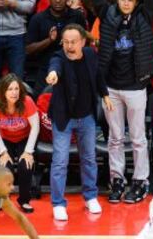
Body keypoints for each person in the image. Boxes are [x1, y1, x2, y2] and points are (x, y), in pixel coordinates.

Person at [89, 0, 153, 204]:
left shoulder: (145, 14)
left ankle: (140, 181)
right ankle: (117, 179)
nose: (126, 2)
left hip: (136, 87)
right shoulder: (106, 13)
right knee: (115, 137)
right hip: (111, 87)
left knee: (138, 138)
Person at [45, 23, 113, 221]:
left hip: (86, 117)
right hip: (64, 118)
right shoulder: (58, 58)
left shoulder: (91, 55)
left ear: (83, 42)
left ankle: (90, 196)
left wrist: (105, 95)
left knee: (89, 158)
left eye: (73, 42)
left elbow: (98, 76)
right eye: (65, 42)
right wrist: (53, 74)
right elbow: (54, 67)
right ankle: (58, 203)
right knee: (60, 162)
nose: (69, 46)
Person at [0, 73, 40, 213]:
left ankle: (24, 200)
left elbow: (36, 126)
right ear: (3, 91)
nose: (14, 92)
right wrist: (3, 152)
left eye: (16, 89)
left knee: (25, 165)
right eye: (10, 89)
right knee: (6, 167)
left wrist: (28, 152)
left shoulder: (27, 101)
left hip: (24, 137)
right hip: (5, 139)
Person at [25, 0, 86, 97]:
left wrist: (71, 42)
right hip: (45, 69)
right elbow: (28, 49)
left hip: (72, 68)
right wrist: (49, 40)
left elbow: (84, 41)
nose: (58, 0)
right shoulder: (38, 19)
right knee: (41, 103)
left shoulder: (77, 16)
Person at [0, 0, 36, 85]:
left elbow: (30, 6)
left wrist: (13, 4)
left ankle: (18, 98)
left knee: (17, 78)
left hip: (17, 34)